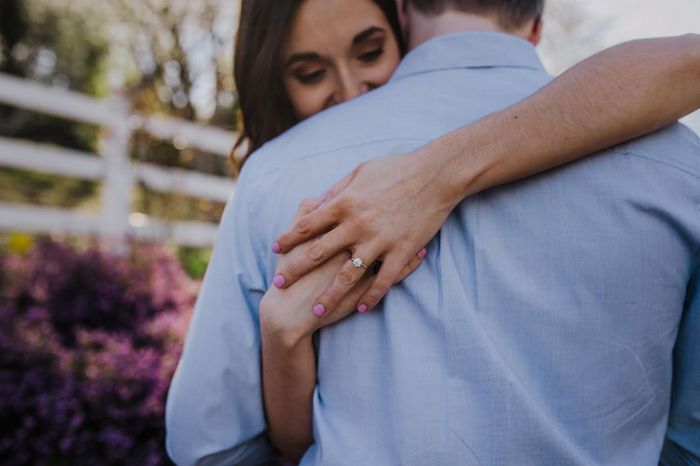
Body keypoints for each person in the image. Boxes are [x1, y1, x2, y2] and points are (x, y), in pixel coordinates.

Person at [166, 1, 700, 465]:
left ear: (401, 12)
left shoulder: (276, 175)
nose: (352, 90)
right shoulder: (682, 167)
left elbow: (210, 445)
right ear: (538, 22)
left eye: (369, 52)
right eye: (310, 72)